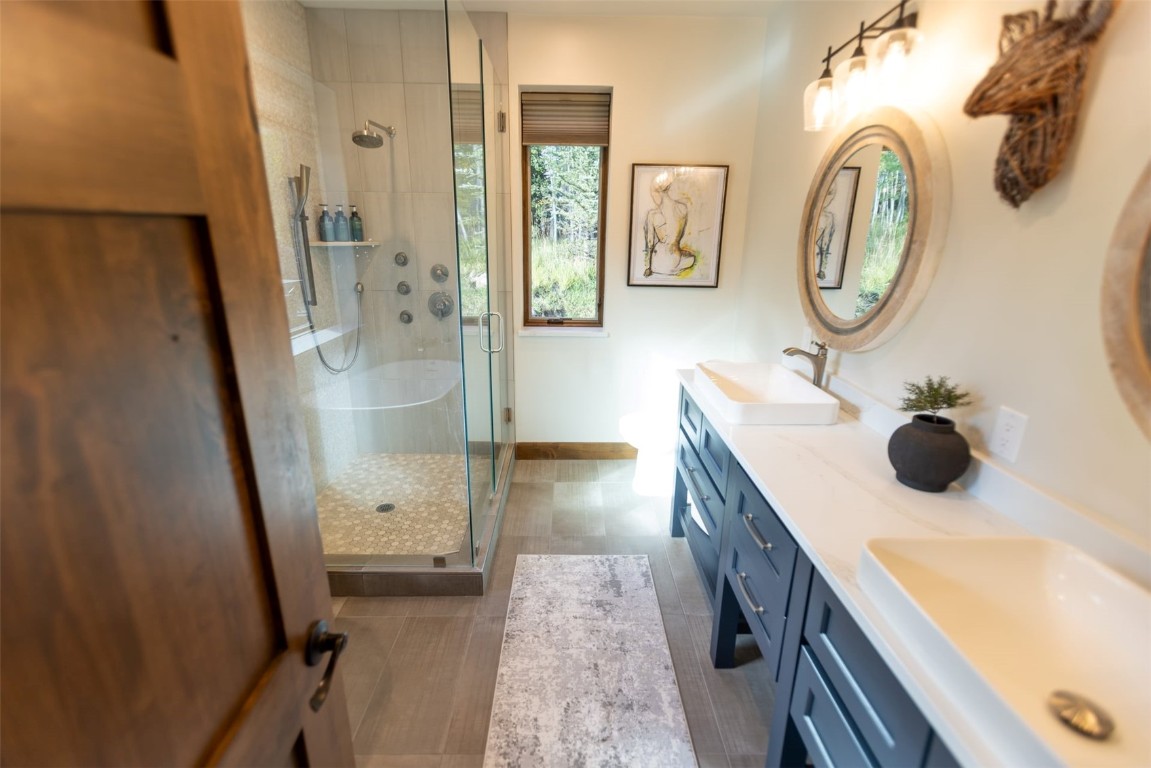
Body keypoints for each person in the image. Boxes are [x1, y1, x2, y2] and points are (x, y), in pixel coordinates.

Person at [642, 171, 696, 277]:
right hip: (675, 258)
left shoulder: (652, 214)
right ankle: (676, 265)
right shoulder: (682, 208)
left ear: (656, 193)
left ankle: (661, 267)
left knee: (687, 256)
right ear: (669, 188)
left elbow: (650, 243)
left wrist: (649, 268)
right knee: (691, 257)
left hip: (657, 263)